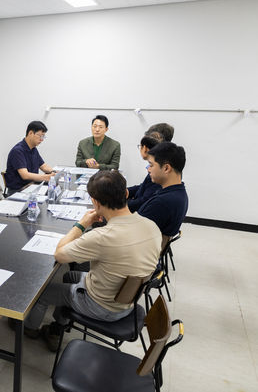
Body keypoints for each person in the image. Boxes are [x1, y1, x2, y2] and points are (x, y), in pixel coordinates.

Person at [24, 171, 161, 349]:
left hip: (103, 308)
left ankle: (30, 329)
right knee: (70, 276)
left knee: (41, 294)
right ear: (126, 193)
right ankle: (58, 327)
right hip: (129, 302)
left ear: (95, 202)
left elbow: (59, 254)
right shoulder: (151, 225)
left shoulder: (102, 236)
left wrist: (82, 224)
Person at [137, 142, 189, 237]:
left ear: (166, 168)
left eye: (151, 165)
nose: (148, 169)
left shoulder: (161, 203)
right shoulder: (179, 192)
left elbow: (132, 235)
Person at [4, 121, 55, 193]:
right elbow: (25, 175)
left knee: (53, 191)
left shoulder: (33, 149)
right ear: (30, 133)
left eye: (43, 136)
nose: (42, 139)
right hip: (18, 190)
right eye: (40, 136)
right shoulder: (18, 151)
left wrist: (54, 172)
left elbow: (43, 166)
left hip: (31, 186)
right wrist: (46, 177)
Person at [127, 132, 162, 213]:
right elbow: (144, 186)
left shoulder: (157, 172)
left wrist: (122, 206)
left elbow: (145, 200)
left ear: (145, 148)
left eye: (140, 146)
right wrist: (127, 191)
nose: (148, 170)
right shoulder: (155, 165)